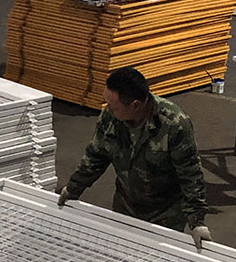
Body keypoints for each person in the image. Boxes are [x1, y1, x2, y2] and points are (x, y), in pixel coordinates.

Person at [57, 66, 212, 251]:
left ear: (135, 105)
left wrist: (197, 221)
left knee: (156, 259)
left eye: (113, 106)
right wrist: (73, 188)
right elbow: (96, 156)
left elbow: (190, 175)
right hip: (125, 205)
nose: (108, 110)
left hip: (164, 214)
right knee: (121, 254)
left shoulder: (173, 124)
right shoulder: (111, 117)